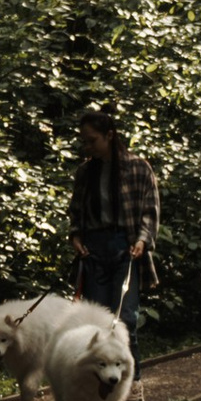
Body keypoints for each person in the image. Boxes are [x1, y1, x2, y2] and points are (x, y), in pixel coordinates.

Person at [70, 105, 159, 355]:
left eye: (92, 141)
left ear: (109, 135)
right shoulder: (85, 173)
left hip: (125, 248)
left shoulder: (139, 168)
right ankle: (99, 388)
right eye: (84, 142)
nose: (87, 147)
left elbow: (149, 211)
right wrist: (76, 236)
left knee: (125, 320)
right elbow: (76, 212)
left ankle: (132, 385)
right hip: (93, 250)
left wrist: (143, 239)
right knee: (95, 322)